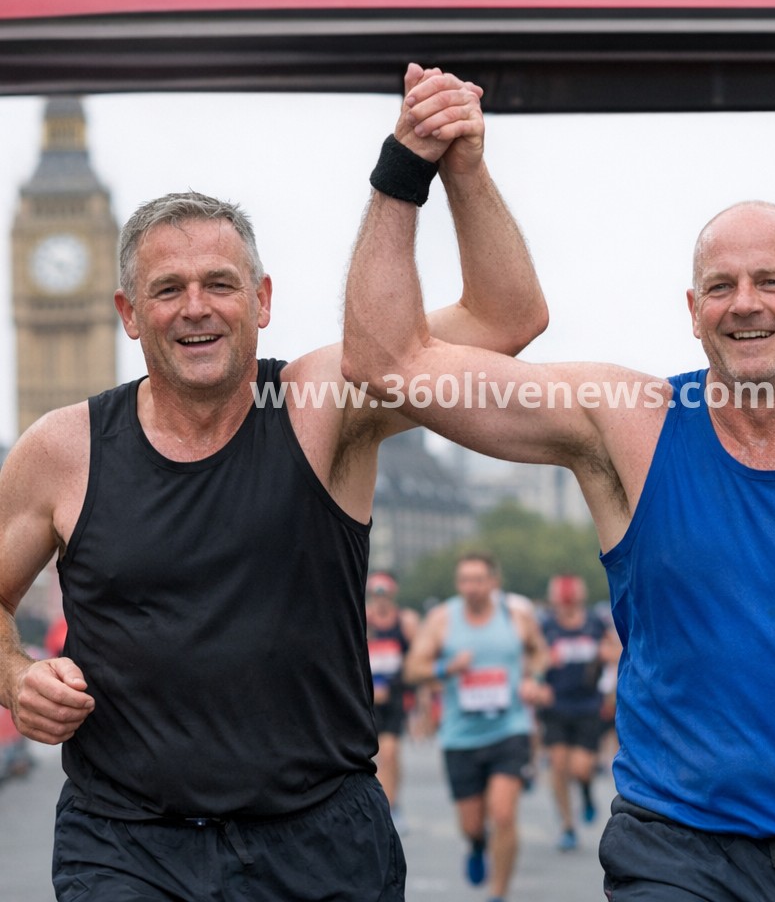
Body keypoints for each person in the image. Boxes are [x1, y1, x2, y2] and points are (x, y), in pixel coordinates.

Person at [343, 194, 775, 900]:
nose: (745, 304)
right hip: (684, 839)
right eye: (721, 287)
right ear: (693, 310)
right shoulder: (633, 424)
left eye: (772, 281)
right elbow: (385, 362)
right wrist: (421, 166)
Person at [0, 63, 548, 902]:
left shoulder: (324, 403)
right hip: (125, 847)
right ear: (126, 313)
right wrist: (15, 677)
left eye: (220, 284)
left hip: (317, 843)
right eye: (168, 289)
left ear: (261, 299)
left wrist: (458, 168)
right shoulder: (62, 448)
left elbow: (507, 321)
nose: (196, 308)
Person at [403, 552, 550, 902]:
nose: (471, 587)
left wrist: (535, 679)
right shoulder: (442, 620)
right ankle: (476, 844)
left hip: (509, 728)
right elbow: (412, 670)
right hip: (460, 736)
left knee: (503, 814)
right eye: (465, 580)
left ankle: (498, 893)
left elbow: (539, 651)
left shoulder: (515, 616)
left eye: (478, 580)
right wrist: (445, 669)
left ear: (494, 582)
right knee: (471, 824)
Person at [538, 573, 618, 852]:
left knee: (581, 768)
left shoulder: (595, 624)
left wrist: (608, 653)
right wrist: (539, 671)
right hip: (556, 706)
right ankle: (567, 824)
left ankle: (584, 792)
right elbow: (529, 659)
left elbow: (617, 649)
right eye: (562, 601)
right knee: (558, 766)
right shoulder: (545, 627)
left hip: (587, 706)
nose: (566, 606)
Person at [365, 570, 419, 827]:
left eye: (384, 594)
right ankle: (379, 802)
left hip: (395, 697)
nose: (380, 600)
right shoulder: (362, 619)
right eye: (376, 594)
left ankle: (391, 806)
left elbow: (416, 661)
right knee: (370, 757)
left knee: (390, 753)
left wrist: (422, 703)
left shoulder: (405, 622)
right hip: (367, 699)